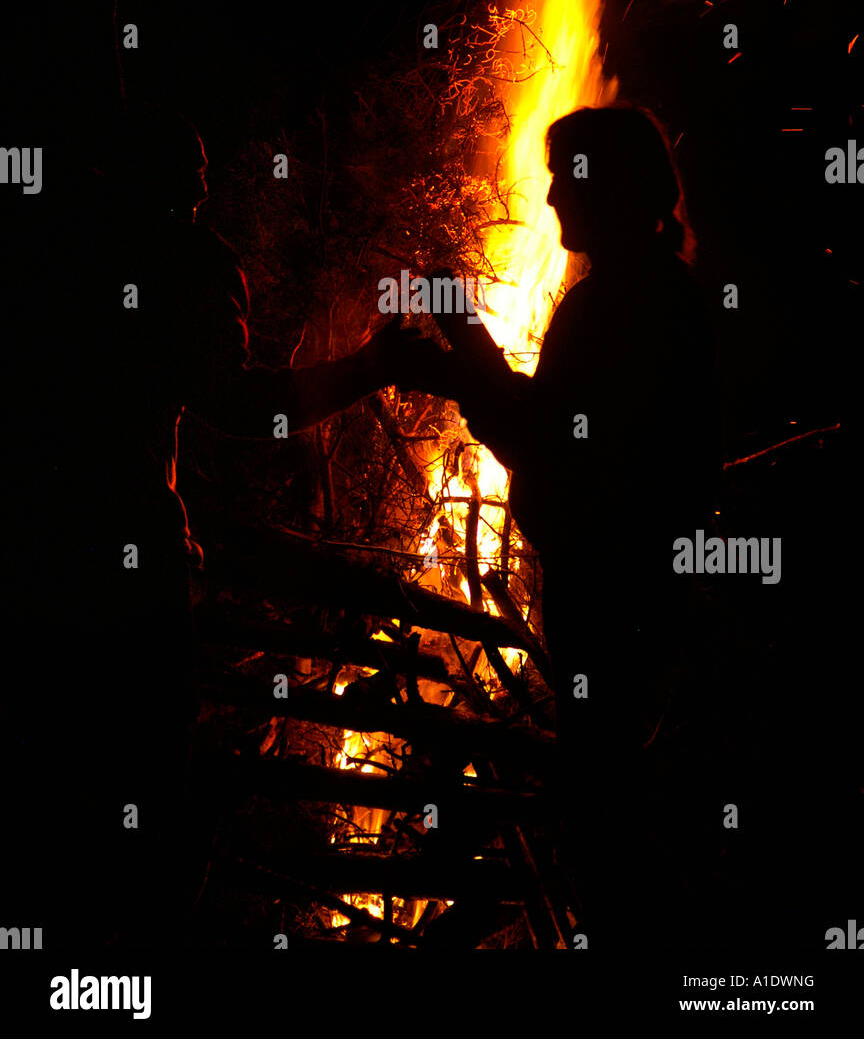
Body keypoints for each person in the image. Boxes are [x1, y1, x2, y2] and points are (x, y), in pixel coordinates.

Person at [0, 105, 425, 948]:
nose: (199, 186)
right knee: (142, 787)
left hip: (40, 552)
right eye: (182, 174)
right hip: (118, 559)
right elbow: (242, 404)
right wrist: (370, 369)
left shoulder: (48, 240)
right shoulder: (177, 262)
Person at [408, 103, 721, 944]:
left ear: (610, 188)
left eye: (565, 177)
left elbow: (544, 443)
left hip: (614, 600)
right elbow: (558, 429)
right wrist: (460, 361)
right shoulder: (659, 295)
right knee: (611, 808)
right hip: (638, 597)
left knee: (603, 824)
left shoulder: (616, 307)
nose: (548, 198)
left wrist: (464, 343)